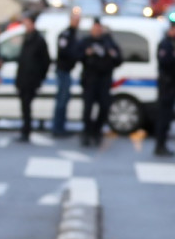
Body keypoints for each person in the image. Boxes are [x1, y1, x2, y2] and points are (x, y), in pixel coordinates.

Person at [78, 17, 122, 147]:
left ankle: (97, 131)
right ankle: (87, 132)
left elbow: (118, 59)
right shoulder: (86, 41)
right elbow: (76, 55)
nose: (97, 31)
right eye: (95, 28)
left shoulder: (108, 42)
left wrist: (111, 54)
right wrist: (87, 53)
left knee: (104, 107)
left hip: (104, 80)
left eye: (99, 28)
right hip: (90, 80)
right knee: (87, 109)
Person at [14, 11, 51, 143]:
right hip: (24, 79)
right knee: (24, 106)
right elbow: (22, 61)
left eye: (27, 22)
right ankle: (25, 129)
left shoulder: (38, 40)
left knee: (27, 106)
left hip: (31, 80)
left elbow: (46, 61)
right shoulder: (27, 38)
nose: (25, 25)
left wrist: (39, 77)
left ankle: (26, 131)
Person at [153, 14, 175, 156]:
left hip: (173, 84)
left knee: (167, 116)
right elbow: (166, 62)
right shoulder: (166, 43)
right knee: (163, 115)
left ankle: (162, 144)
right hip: (167, 84)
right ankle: (160, 145)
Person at [52, 9, 82, 137]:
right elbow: (64, 51)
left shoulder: (73, 34)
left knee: (64, 99)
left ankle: (60, 127)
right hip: (63, 70)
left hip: (67, 71)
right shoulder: (66, 34)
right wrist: (77, 55)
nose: (77, 22)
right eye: (75, 20)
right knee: (62, 100)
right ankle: (58, 128)